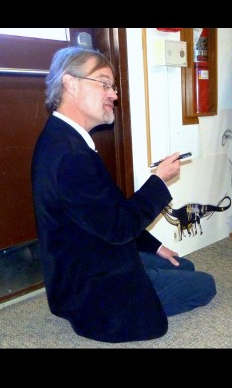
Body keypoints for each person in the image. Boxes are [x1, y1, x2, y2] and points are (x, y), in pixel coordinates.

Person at [31, 46, 216, 343]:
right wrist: (158, 182)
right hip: (92, 284)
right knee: (204, 285)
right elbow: (118, 228)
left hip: (89, 259)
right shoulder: (70, 155)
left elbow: (108, 211)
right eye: (104, 83)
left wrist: (155, 247)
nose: (113, 95)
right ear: (70, 83)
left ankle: (149, 273)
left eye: (113, 87)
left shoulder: (63, 138)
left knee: (184, 265)